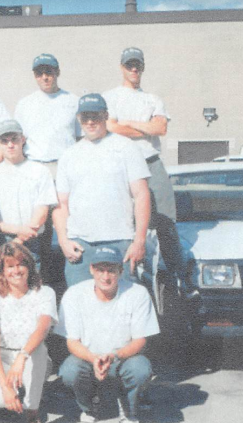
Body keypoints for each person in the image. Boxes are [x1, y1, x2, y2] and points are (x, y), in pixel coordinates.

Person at [103, 47, 192, 296]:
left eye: (137, 65)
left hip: (150, 162)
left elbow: (160, 128)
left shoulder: (153, 99)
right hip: (120, 164)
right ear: (122, 67)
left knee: (165, 221)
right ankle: (126, 273)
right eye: (129, 65)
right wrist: (144, 128)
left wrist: (128, 123)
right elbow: (110, 128)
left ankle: (179, 278)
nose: (134, 69)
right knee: (124, 221)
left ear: (142, 67)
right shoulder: (110, 97)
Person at [55, 246, 160, 423]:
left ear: (121, 270)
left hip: (123, 358)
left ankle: (128, 405)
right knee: (69, 371)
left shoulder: (137, 293)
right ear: (91, 270)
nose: (105, 276)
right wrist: (93, 358)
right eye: (100, 270)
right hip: (88, 358)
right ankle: (88, 405)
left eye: (111, 270)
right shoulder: (74, 294)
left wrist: (114, 356)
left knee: (141, 369)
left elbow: (140, 340)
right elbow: (71, 341)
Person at [53, 93, 151, 287]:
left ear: (106, 115)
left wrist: (139, 241)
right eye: (85, 117)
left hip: (120, 243)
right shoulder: (69, 155)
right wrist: (64, 241)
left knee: (122, 307)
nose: (90, 122)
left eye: (95, 116)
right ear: (78, 119)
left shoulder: (126, 148)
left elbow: (142, 195)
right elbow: (61, 204)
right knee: (80, 308)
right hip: (80, 247)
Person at [0, 242, 57, 423]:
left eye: (21, 264)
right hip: (2, 355)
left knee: (38, 350)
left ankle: (33, 414)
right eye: (10, 266)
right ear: (2, 270)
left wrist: (22, 357)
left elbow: (43, 327)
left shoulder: (44, 292)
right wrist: (5, 387)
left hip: (30, 354)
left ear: (30, 266)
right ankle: (16, 393)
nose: (16, 270)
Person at [0, 120, 57, 271]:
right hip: (0, 240)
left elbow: (41, 214)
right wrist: (15, 233)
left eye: (14, 139)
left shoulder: (39, 171)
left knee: (32, 290)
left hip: (31, 243)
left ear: (23, 139)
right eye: (4, 141)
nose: (10, 145)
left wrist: (17, 241)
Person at [7, 53, 80, 178]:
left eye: (49, 72)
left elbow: (81, 139)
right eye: (39, 74)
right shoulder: (24, 104)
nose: (44, 77)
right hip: (33, 167)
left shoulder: (74, 101)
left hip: (65, 167)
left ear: (58, 72)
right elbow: (17, 140)